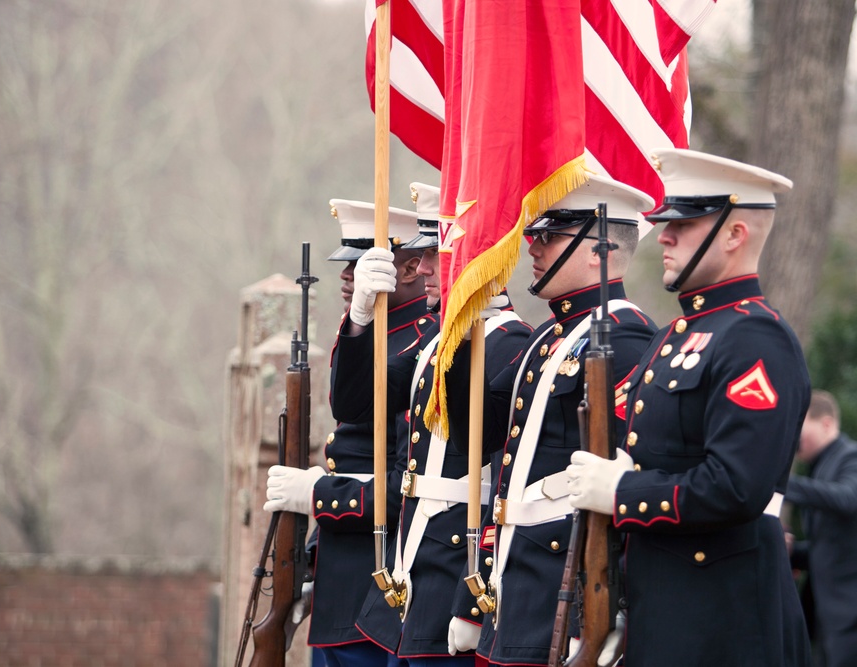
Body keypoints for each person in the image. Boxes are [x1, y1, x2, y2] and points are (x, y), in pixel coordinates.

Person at [566, 148, 812, 667]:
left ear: (734, 234)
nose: (665, 236)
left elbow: (736, 487)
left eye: (684, 223)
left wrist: (622, 492)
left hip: (722, 620)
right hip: (663, 606)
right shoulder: (678, 335)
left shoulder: (754, 337)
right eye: (664, 223)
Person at [443, 174, 658, 665]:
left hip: (562, 591)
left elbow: (624, 485)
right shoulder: (548, 338)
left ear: (597, 249)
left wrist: (601, 616)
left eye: (549, 236)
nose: (532, 248)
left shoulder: (626, 339)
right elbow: (480, 437)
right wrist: (460, 331)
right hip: (514, 590)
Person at [331, 185, 534, 665]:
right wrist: (359, 318)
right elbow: (356, 402)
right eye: (421, 257)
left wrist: (472, 599)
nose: (420, 268)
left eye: (433, 256)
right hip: (411, 569)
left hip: (456, 573)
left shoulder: (512, 343)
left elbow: (498, 481)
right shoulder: (432, 347)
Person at [264, 195, 436, 667]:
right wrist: (312, 558)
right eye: (346, 264)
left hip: (378, 578)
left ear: (408, 268)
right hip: (340, 572)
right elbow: (349, 445)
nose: (346, 276)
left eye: (360, 264)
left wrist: (320, 495)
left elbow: (407, 484)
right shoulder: (366, 332)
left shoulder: (424, 344)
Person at [786, 389, 857, 667]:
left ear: (826, 423)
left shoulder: (850, 456)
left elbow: (848, 499)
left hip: (849, 612)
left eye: (799, 426)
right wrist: (794, 552)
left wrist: (782, 484)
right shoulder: (819, 466)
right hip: (826, 615)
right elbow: (829, 545)